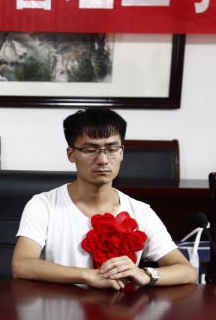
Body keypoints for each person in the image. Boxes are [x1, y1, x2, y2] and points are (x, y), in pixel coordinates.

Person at [12, 107, 196, 290]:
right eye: (90, 149)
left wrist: (145, 274)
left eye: (112, 149)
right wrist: (88, 276)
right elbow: (21, 265)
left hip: (121, 308)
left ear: (121, 153)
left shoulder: (140, 212)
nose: (102, 160)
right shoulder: (44, 205)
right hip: (59, 306)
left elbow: (187, 272)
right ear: (71, 154)